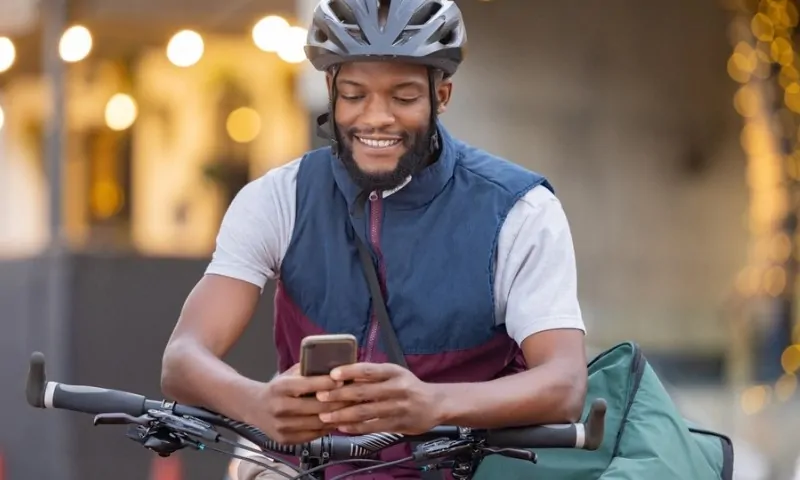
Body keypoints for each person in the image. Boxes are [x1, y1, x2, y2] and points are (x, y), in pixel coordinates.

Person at [161, 0, 588, 478]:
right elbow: (183, 359)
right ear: (330, 90)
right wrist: (256, 401)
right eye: (355, 94)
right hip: (305, 467)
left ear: (441, 95)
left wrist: (433, 403)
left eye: (403, 97)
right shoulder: (278, 198)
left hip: (450, 469)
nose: (376, 117)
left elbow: (565, 385)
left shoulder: (518, 210)